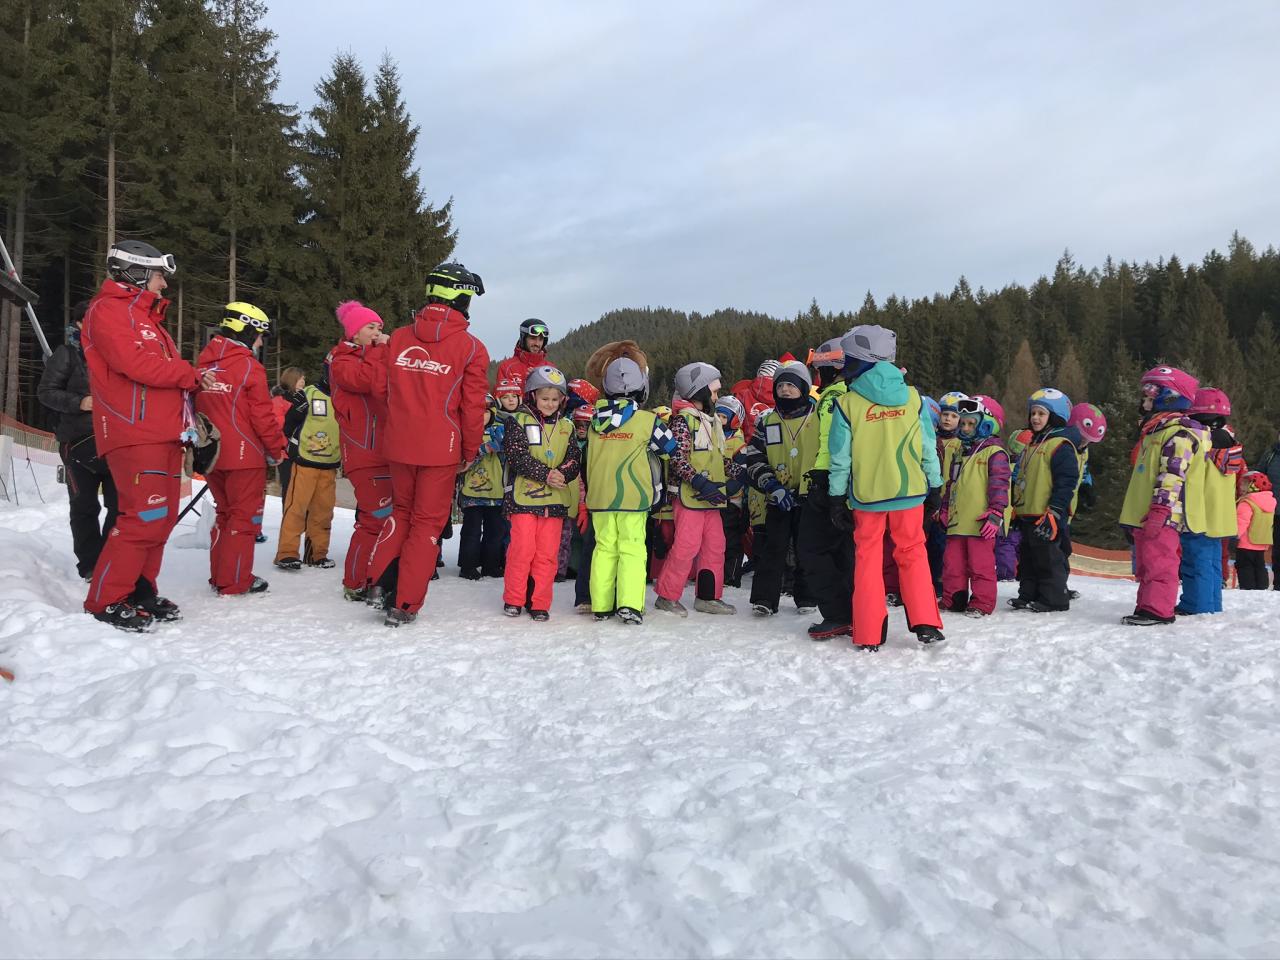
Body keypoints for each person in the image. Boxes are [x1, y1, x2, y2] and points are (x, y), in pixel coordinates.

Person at [81, 240, 217, 631]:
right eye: (159, 275)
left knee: (160, 519)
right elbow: (134, 364)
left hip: (163, 432)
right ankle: (106, 600)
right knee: (143, 517)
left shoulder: (146, 317)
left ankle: (140, 590)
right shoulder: (108, 310)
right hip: (135, 431)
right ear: (137, 273)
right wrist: (188, 373)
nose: (164, 284)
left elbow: (159, 370)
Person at [363, 262, 490, 626]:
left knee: (401, 513)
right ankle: (404, 603)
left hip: (400, 443)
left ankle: (377, 584)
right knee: (426, 525)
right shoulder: (471, 347)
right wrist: (469, 450)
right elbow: (472, 407)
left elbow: (380, 390)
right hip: (441, 449)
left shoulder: (400, 337)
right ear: (461, 298)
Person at [827, 325, 945, 649]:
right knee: (913, 554)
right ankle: (926, 622)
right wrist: (935, 486)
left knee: (867, 560)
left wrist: (836, 497)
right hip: (910, 493)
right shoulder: (913, 398)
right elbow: (928, 447)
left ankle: (868, 633)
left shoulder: (847, 404)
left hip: (868, 497)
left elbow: (840, 458)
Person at [195, 301, 284, 596]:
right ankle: (234, 580)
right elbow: (263, 416)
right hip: (244, 455)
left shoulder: (204, 363)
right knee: (242, 518)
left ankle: (221, 575)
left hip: (211, 452)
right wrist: (276, 449)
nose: (259, 343)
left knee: (225, 514)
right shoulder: (248, 366)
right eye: (258, 336)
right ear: (246, 331)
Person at [585, 352, 677, 623]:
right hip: (633, 497)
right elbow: (670, 448)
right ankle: (630, 604)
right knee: (632, 548)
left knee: (604, 549)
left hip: (600, 498)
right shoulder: (647, 421)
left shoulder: (594, 422)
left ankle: (601, 605)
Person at [1119, 366, 1207, 626]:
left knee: (1160, 561)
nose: (1144, 402)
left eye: (1150, 395)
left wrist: (1160, 509)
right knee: (1147, 562)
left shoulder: (1180, 433)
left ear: (1169, 398)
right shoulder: (1155, 431)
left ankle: (1158, 609)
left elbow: (1172, 474)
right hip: (1147, 512)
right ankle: (1147, 606)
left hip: (1165, 513)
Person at [38, 301, 118, 580]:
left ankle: (112, 560)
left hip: (115, 440)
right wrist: (80, 402)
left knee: (120, 506)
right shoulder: (67, 353)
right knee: (84, 505)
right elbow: (46, 392)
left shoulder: (115, 353)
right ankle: (90, 565)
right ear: (81, 323)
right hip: (77, 441)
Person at [654, 362, 742, 617]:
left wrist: (741, 472)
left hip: (711, 497)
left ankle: (708, 596)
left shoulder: (710, 421)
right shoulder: (683, 421)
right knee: (686, 546)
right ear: (699, 390)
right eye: (713, 392)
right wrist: (698, 481)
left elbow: (716, 458)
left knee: (715, 546)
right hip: (691, 496)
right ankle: (667, 596)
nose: (716, 397)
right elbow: (678, 459)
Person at [735, 360, 817, 618]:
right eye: (780, 386)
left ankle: (807, 596)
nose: (785, 390)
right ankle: (764, 599)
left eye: (791, 385)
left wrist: (815, 487)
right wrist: (771, 484)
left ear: (803, 388)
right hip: (777, 495)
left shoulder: (818, 418)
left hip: (808, 496)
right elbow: (754, 457)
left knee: (807, 547)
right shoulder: (767, 420)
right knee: (773, 547)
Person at [501, 365, 582, 621]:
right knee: (522, 550)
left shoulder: (567, 426)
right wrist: (546, 474)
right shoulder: (518, 421)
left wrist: (563, 473)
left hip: (555, 502)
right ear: (533, 395)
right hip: (523, 500)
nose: (550, 404)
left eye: (555, 399)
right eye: (545, 398)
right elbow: (517, 456)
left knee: (547, 555)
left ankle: (539, 602)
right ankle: (514, 599)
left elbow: (574, 458)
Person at [326, 301, 393, 600]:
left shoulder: (372, 356)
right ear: (353, 332)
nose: (377, 332)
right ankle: (355, 582)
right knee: (374, 520)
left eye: (379, 327)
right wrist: (382, 350)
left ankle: (374, 578)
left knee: (384, 520)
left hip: (386, 450)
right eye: (370, 327)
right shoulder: (342, 361)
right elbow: (366, 380)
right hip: (364, 452)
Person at [799, 338, 856, 639]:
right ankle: (855, 610)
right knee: (844, 550)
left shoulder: (834, 396)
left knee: (812, 548)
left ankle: (838, 613)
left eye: (818, 369)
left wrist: (824, 484)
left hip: (830, 480)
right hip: (853, 482)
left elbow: (832, 444)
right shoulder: (856, 394)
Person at [1008, 388, 1080, 612]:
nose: (1035, 418)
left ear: (1055, 416)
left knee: (1048, 557)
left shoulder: (1060, 445)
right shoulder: (1032, 444)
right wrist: (1016, 508)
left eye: (1041, 414)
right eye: (1033, 413)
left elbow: (1066, 481)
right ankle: (1028, 593)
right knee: (1028, 557)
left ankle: (1054, 598)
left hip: (1047, 513)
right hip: (1028, 512)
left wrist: (1055, 510)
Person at [940, 397, 1010, 616]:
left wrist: (996, 513)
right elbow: (952, 484)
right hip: (957, 520)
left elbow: (1000, 484)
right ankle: (954, 598)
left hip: (981, 522)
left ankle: (982, 602)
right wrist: (945, 508)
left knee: (981, 565)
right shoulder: (960, 452)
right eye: (963, 423)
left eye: (971, 424)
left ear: (986, 425)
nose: (965, 428)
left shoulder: (994, 452)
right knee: (953, 564)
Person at [1177, 388, 1242, 614]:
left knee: (1195, 561)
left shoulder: (1202, 442)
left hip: (1200, 513)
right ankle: (1213, 603)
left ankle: (1196, 605)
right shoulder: (1229, 441)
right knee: (1213, 562)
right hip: (1220, 516)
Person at [275, 368, 341, 571]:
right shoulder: (308, 394)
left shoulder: (345, 398)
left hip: (330, 464)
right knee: (296, 509)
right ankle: (287, 553)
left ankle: (316, 554)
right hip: (304, 461)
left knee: (323, 513)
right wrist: (297, 411)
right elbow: (287, 425)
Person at [458, 396, 507, 580]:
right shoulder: (466, 432)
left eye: (485, 412)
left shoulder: (499, 430)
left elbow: (510, 453)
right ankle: (468, 566)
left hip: (496, 492)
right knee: (471, 531)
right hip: (472, 493)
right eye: (477, 412)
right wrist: (481, 449)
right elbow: (460, 460)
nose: (482, 416)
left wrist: (502, 446)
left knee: (495, 532)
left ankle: (491, 565)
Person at [715, 396, 750, 590]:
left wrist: (726, 492)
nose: (719, 420)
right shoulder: (712, 436)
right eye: (717, 415)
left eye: (724, 417)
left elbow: (741, 474)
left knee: (731, 540)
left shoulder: (738, 443)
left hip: (731, 501)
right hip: (712, 498)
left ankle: (731, 576)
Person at [1235, 471, 1275, 589]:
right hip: (1262, 541)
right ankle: (1261, 587)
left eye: (1244, 484)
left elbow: (1242, 521)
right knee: (1260, 565)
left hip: (1246, 542)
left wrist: (1235, 535)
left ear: (1253, 486)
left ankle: (1248, 587)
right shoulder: (1270, 502)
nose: (1241, 487)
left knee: (1245, 566)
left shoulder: (1247, 503)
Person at [497, 318, 552, 386]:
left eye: (540, 339)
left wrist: (539, 382)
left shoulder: (551, 368)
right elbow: (503, 392)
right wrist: (528, 383)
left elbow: (557, 392)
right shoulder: (507, 368)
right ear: (523, 339)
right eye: (533, 338)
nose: (537, 344)